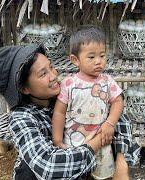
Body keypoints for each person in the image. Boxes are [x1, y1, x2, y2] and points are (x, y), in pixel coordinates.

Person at [0, 44, 140, 179]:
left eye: (51, 67)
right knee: (28, 168)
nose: (54, 76)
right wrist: (96, 143)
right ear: (24, 88)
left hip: (82, 169)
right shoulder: (22, 119)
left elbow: (120, 118)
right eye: (43, 74)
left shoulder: (68, 94)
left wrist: (121, 162)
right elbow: (49, 166)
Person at [52, 26, 123, 179]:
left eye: (102, 56)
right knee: (76, 175)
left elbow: (118, 101)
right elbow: (59, 112)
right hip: (74, 142)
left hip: (102, 141)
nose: (99, 61)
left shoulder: (107, 81)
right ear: (75, 60)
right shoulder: (69, 84)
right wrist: (57, 140)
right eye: (91, 57)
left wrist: (110, 123)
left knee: (102, 175)